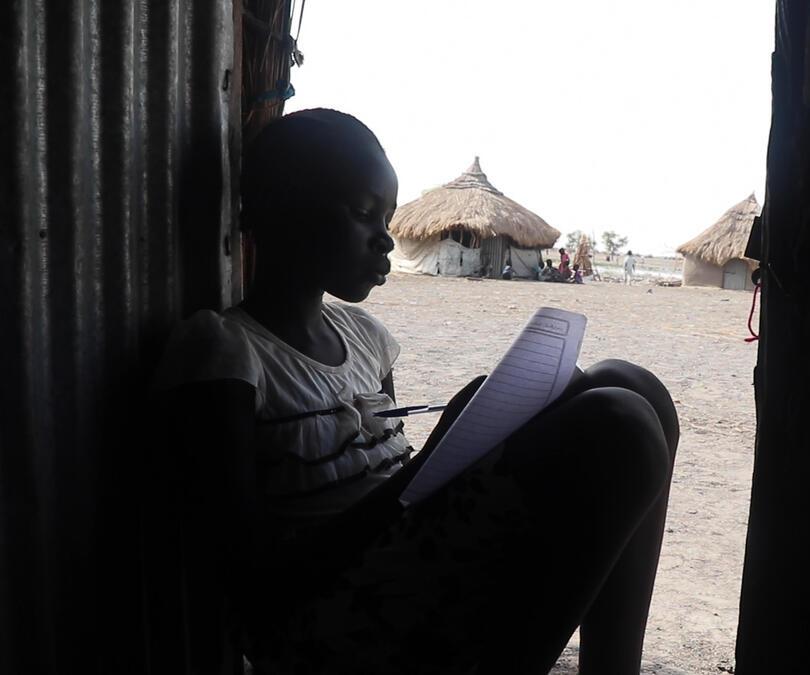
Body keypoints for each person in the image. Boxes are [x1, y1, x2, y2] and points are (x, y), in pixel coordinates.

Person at [152, 109, 679, 675]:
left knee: (630, 381)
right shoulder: (224, 351)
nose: (385, 238)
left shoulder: (366, 338)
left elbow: (393, 470)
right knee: (618, 421)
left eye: (389, 217)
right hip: (327, 616)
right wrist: (428, 468)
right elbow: (253, 586)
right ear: (278, 208)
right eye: (361, 214)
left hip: (409, 553)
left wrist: (440, 458)